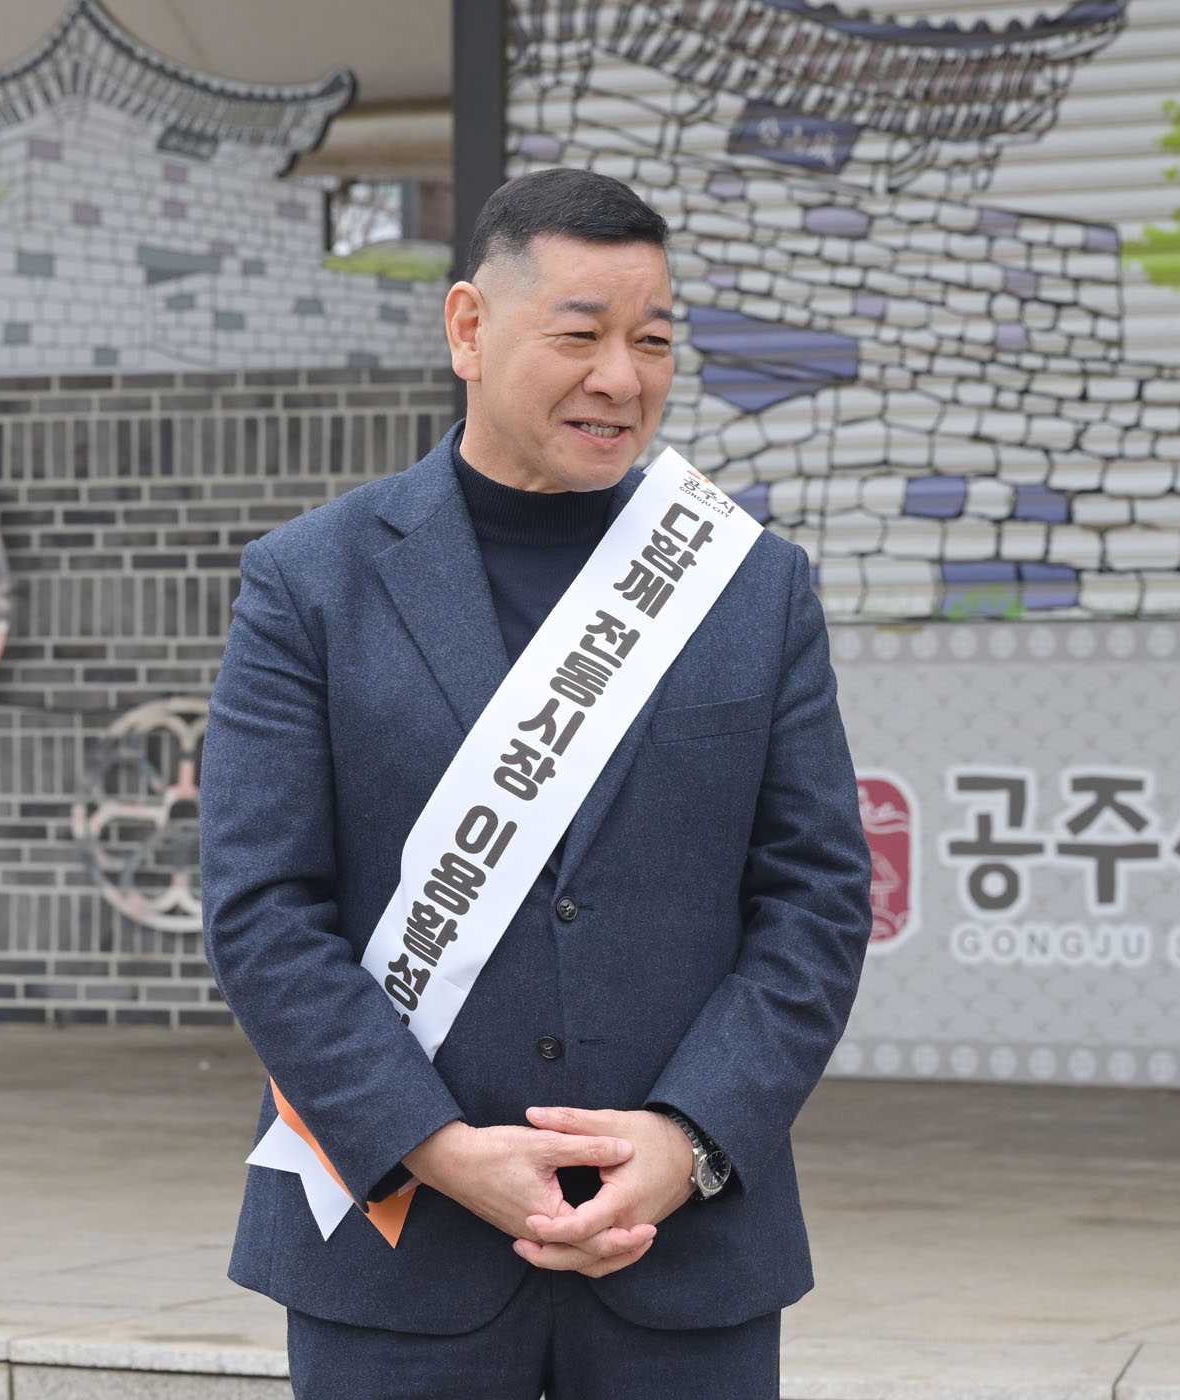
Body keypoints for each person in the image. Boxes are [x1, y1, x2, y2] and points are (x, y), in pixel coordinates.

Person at [198, 167, 871, 1399]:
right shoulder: (311, 581)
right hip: (399, 1250)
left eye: (653, 340)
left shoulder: (750, 585)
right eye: (580, 334)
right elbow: (262, 906)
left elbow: (817, 899)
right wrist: (436, 1146)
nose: (621, 376)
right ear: (468, 327)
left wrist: (688, 1138)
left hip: (686, 1254)